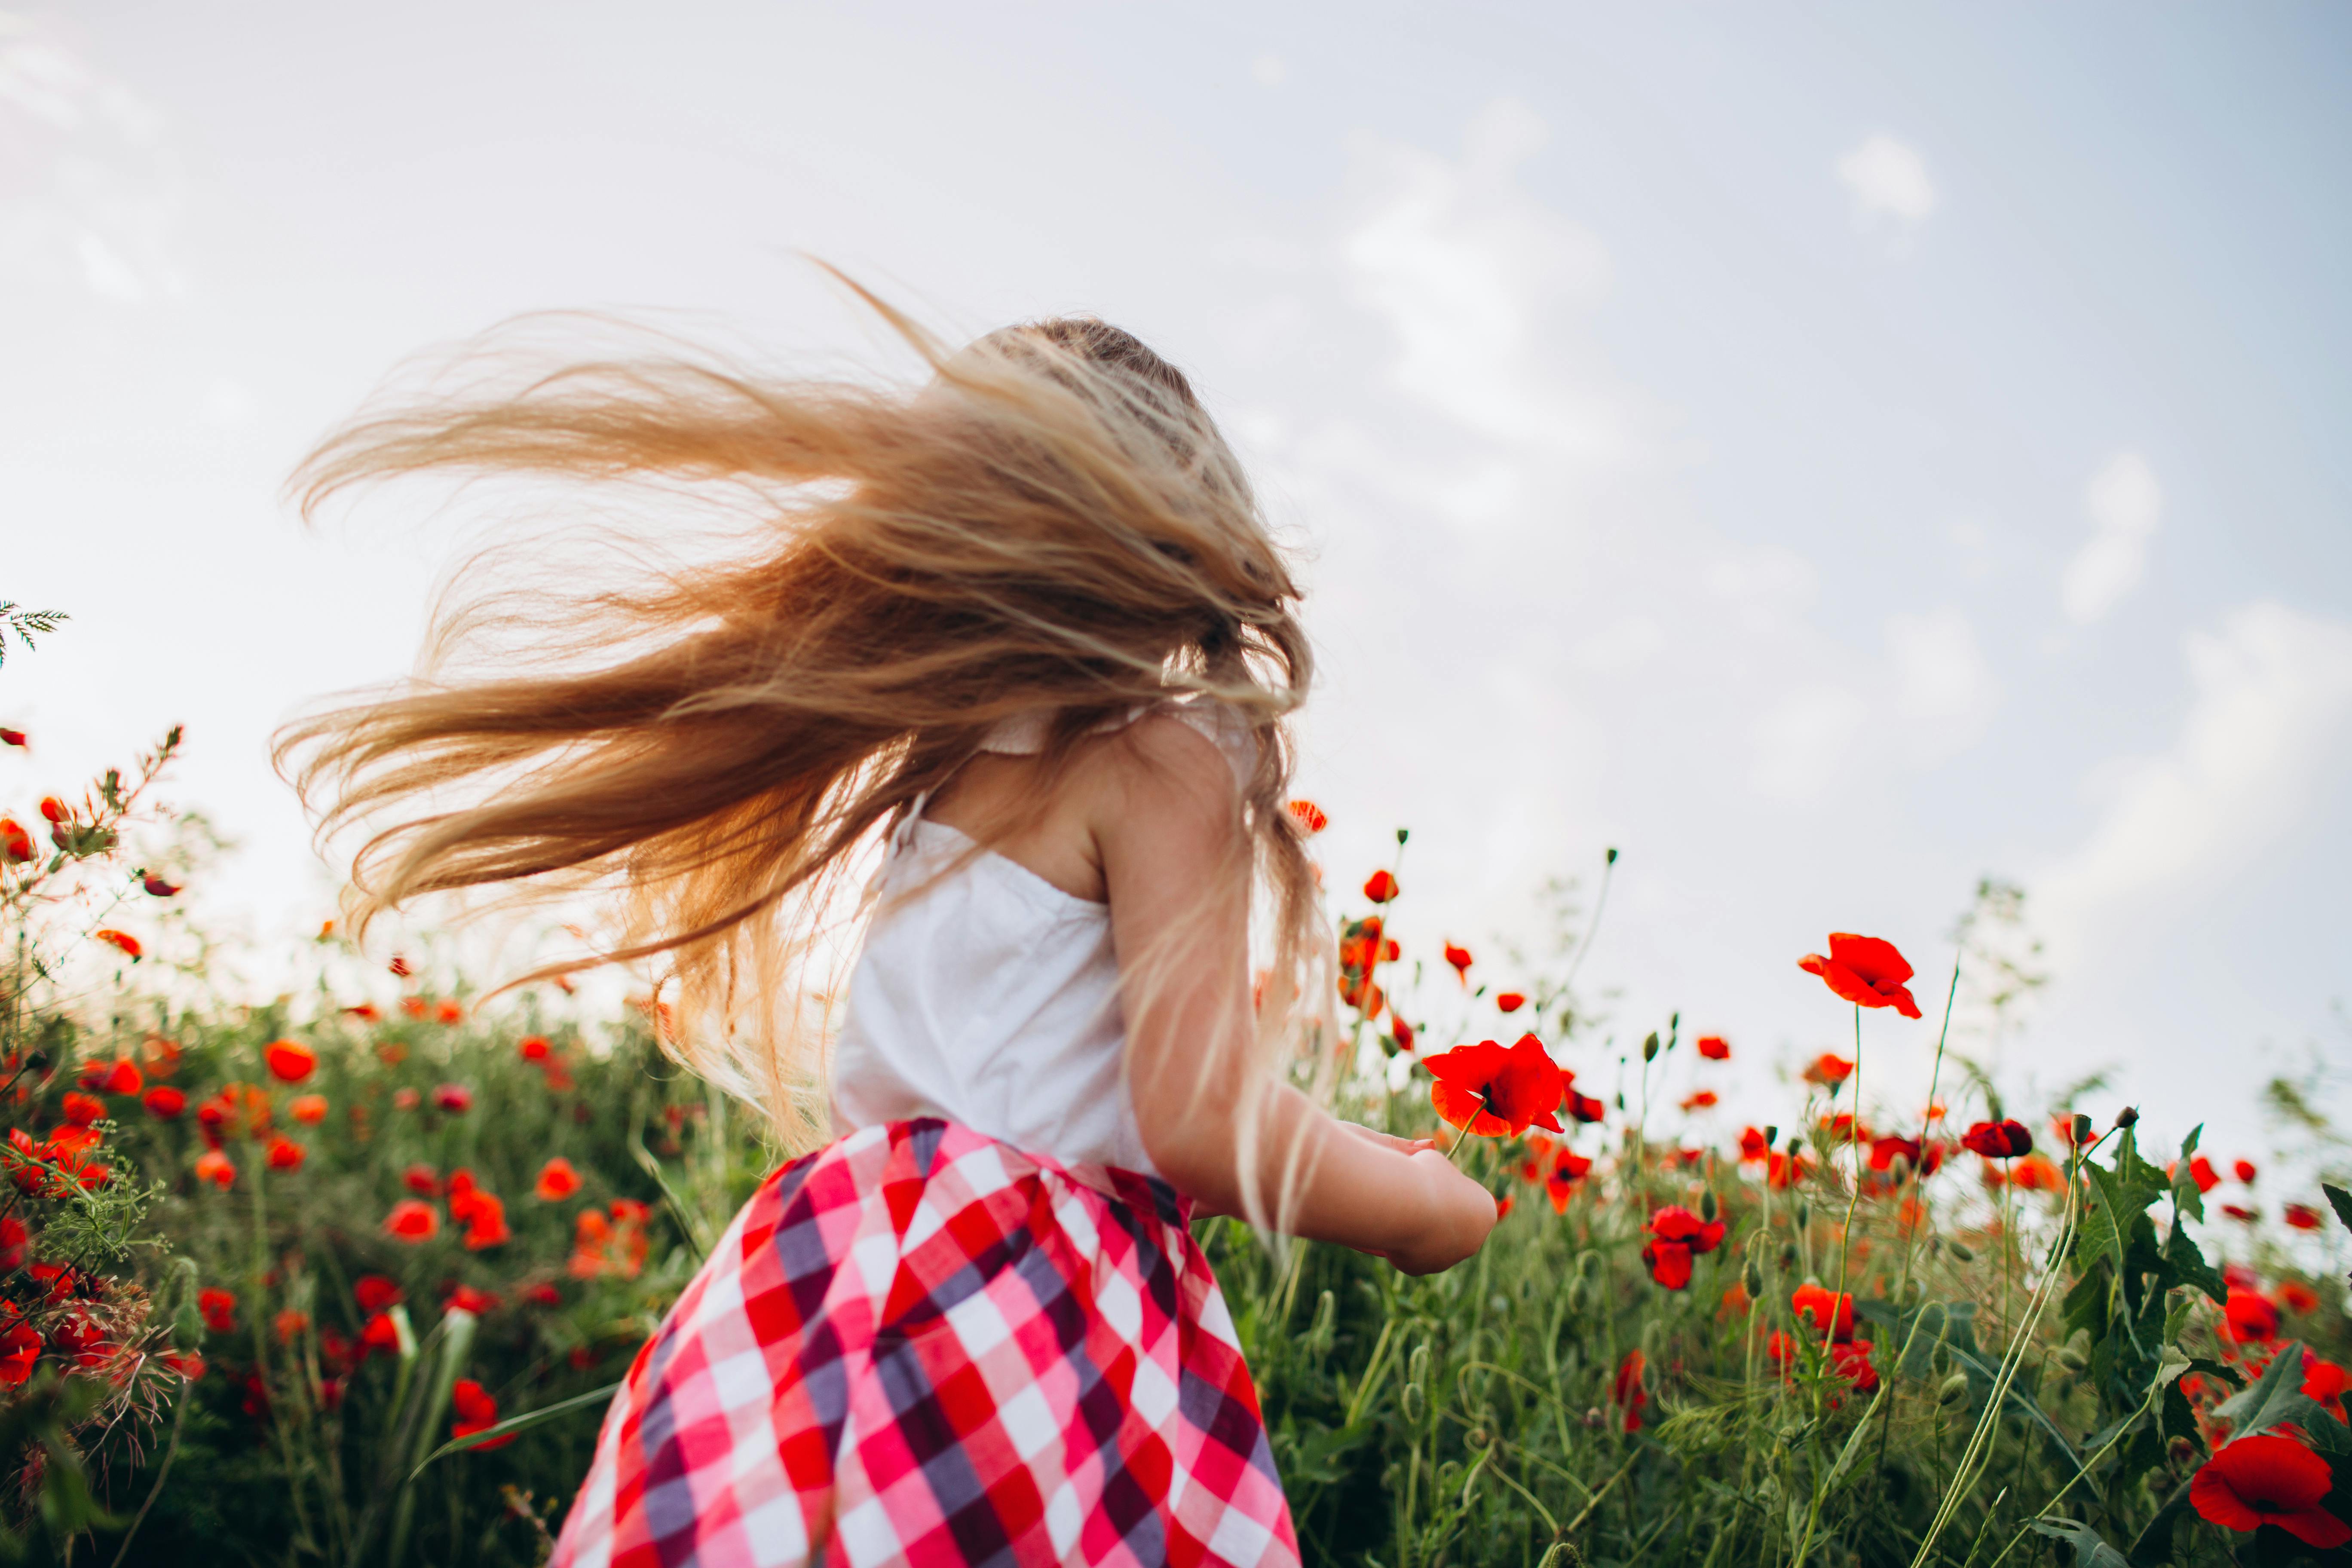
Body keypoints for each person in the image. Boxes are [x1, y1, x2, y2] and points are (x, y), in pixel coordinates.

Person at [280, 291, 1499, 1566]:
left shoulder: (955, 763)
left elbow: (1072, 1084)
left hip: (838, 1266)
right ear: (1178, 532)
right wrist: (1424, 1209)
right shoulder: (1161, 755)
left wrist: (1345, 1140)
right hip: (1021, 1304)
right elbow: (1199, 1120)